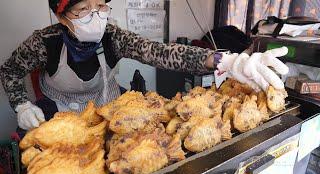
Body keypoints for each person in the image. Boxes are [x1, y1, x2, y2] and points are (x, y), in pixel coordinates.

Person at [0, 0, 289, 131]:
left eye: (100, 6)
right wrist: (21, 104)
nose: (96, 16)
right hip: (63, 124)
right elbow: (9, 71)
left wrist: (224, 60)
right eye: (84, 9)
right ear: (63, 16)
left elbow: (160, 53)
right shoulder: (43, 42)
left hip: (111, 119)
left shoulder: (114, 36)